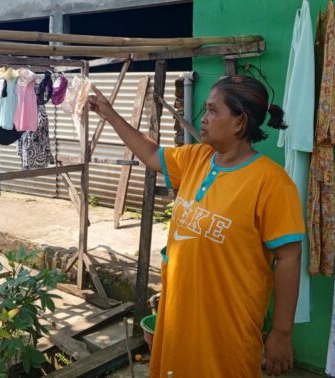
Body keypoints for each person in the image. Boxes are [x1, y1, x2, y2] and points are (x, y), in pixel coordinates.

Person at [88, 75, 303, 377]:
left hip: (227, 328)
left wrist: (281, 332)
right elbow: (150, 154)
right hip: (180, 314)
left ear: (240, 123)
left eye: (213, 111)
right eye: (205, 109)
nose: (203, 119)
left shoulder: (272, 183)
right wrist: (109, 114)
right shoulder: (197, 158)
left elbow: (289, 258)